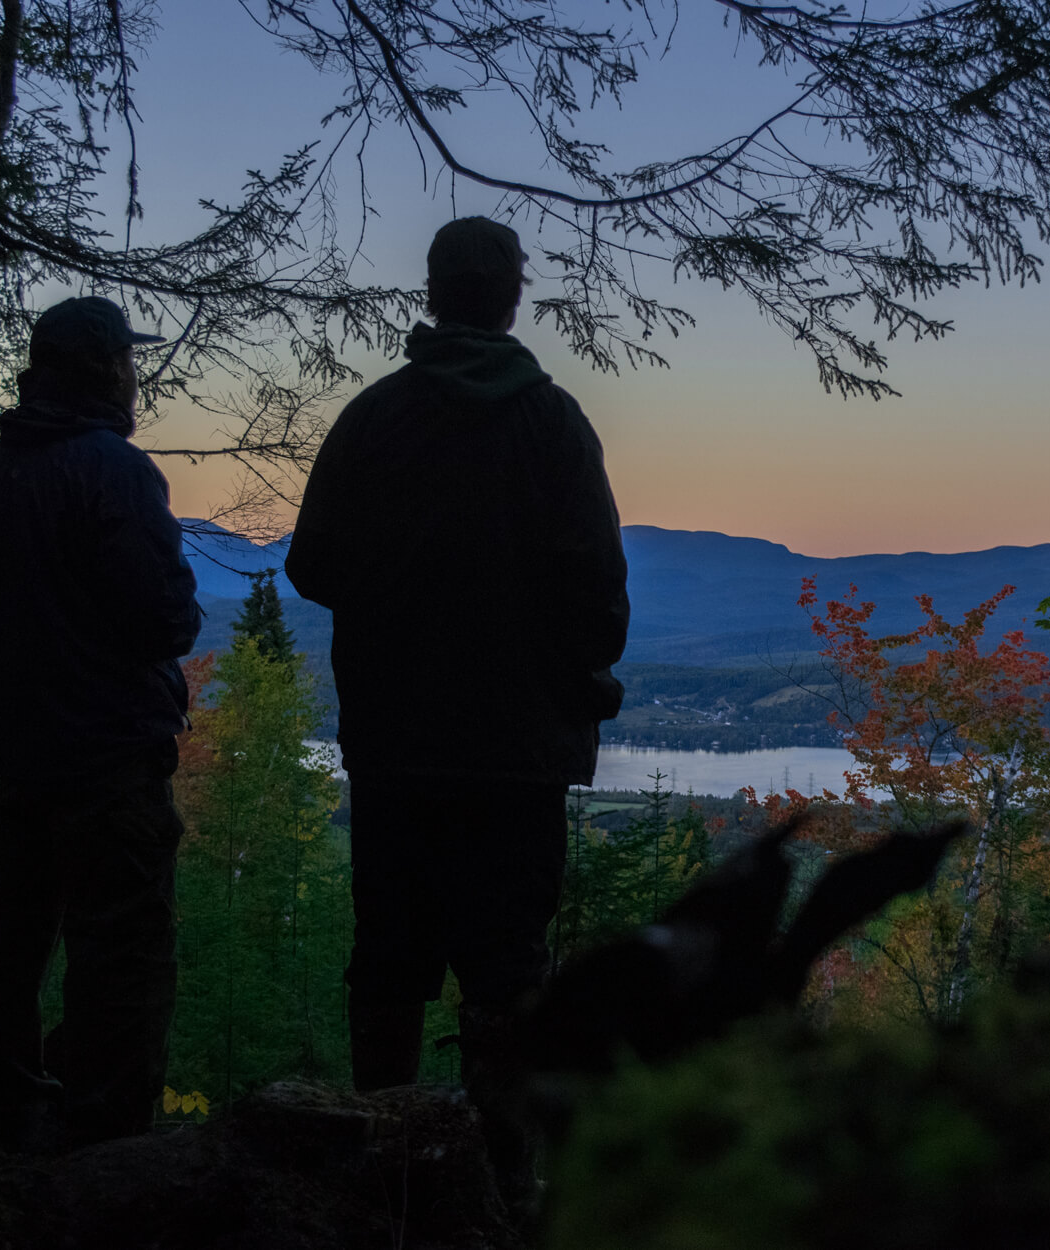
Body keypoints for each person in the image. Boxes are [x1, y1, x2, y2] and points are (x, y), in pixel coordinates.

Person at [286, 216, 629, 1210]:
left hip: (395, 744)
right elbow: (598, 595)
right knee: (508, 975)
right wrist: (563, 673)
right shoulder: (554, 424)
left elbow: (312, 564)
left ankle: (379, 1171)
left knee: (388, 963)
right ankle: (503, 1182)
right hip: (517, 757)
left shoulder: (375, 417)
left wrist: (397, 603)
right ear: (512, 295)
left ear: (432, 291)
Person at [0, 295, 201, 1150]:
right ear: (104, 368)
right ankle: (107, 1139)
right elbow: (165, 621)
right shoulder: (114, 471)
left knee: (16, 930)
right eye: (128, 359)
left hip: (26, 753)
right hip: (112, 756)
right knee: (123, 948)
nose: (137, 373)